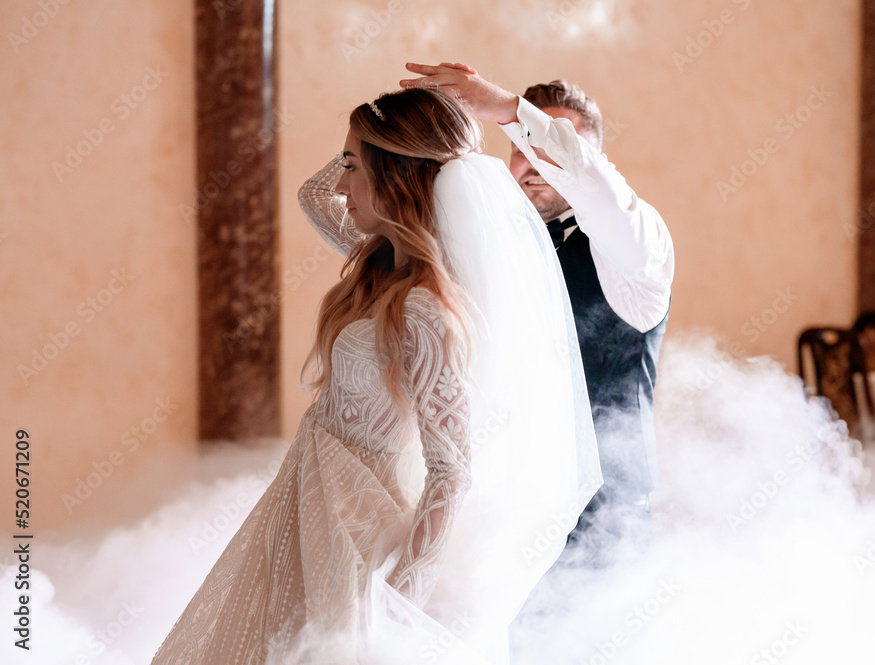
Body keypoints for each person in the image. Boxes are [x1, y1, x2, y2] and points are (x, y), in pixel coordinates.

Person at [149, 87, 600, 665]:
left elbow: (452, 472)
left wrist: (398, 601)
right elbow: (314, 195)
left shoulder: (427, 309)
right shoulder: (378, 264)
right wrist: (392, 119)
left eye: (352, 168)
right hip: (305, 508)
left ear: (396, 177)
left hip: (357, 539)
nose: (339, 185)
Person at [400, 64, 675, 563]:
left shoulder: (637, 244)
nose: (532, 164)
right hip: (510, 516)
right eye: (520, 149)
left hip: (606, 523)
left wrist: (508, 110)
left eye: (547, 149)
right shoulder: (496, 247)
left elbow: (597, 190)